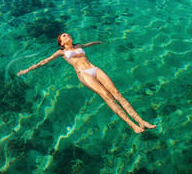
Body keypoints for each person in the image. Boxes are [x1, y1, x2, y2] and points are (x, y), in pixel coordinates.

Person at [17, 33, 157, 134]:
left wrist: (100, 42)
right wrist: (27, 70)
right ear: (61, 43)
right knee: (107, 96)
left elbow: (88, 45)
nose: (67, 36)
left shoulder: (78, 45)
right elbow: (44, 61)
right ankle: (133, 125)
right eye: (63, 36)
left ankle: (141, 121)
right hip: (83, 74)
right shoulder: (61, 52)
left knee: (117, 93)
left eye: (67, 34)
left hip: (94, 69)